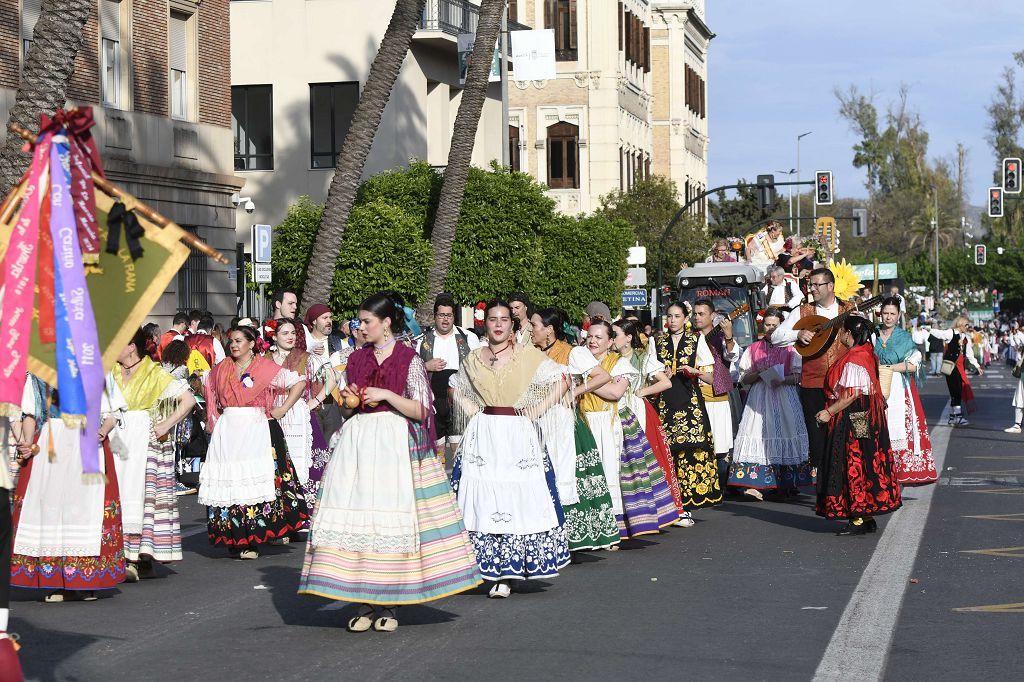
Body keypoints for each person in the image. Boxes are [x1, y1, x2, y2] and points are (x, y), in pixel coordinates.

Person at [300, 293, 481, 632]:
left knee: (390, 520)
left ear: (386, 323)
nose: (360, 326)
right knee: (362, 523)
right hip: (358, 445)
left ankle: (389, 603)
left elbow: (422, 409)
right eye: (359, 321)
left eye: (366, 321)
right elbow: (348, 410)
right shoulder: (356, 358)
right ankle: (364, 601)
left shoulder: (408, 357)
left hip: (393, 444)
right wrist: (350, 400)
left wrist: (385, 395)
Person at [450, 300, 571, 598]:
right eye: (493, 319)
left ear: (512, 325)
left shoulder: (528, 356)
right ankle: (485, 568)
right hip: (484, 434)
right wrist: (471, 409)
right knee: (481, 500)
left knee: (514, 499)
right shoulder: (474, 358)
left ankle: (508, 572)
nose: (498, 324)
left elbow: (562, 380)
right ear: (486, 324)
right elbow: (454, 385)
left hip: (517, 433)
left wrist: (537, 409)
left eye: (504, 319)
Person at [11, 374, 127, 602]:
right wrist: (27, 443)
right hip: (51, 443)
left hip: (85, 441)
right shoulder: (38, 373)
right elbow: (31, 414)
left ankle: (85, 580)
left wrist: (102, 430)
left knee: (84, 510)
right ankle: (56, 580)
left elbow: (112, 412)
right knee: (52, 510)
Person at [199, 323, 309, 559]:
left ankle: (251, 540)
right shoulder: (221, 368)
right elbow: (208, 391)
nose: (234, 345)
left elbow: (298, 382)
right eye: (232, 341)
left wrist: (283, 409)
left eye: (239, 341)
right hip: (229, 430)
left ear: (251, 344)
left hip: (256, 428)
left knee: (253, 480)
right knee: (231, 481)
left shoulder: (264, 368)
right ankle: (233, 537)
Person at [530, 308, 620, 552]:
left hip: (565, 423)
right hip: (537, 422)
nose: (530, 330)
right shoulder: (530, 353)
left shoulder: (572, 352)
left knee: (572, 476)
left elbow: (602, 376)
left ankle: (578, 536)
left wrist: (574, 392)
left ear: (549, 330)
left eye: (534, 325)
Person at [110, 328, 196, 581]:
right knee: (118, 494)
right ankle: (121, 554)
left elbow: (188, 400)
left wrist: (166, 424)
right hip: (117, 439)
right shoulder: (110, 371)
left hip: (142, 441)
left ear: (131, 346)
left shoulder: (153, 372)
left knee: (138, 496)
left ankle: (136, 558)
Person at [580, 320, 678, 540]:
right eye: (590, 337)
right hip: (587, 421)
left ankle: (617, 527)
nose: (593, 341)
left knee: (614, 472)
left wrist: (585, 384)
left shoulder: (619, 363)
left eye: (599, 337)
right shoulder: (580, 360)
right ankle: (595, 526)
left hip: (612, 422)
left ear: (610, 342)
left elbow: (616, 393)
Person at [815, 315, 902, 535]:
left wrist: (828, 412)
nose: (840, 335)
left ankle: (858, 518)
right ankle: (865, 515)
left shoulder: (855, 357)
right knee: (864, 459)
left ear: (849, 333)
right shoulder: (866, 352)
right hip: (863, 415)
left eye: (842, 331)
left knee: (852, 462)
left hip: (854, 415)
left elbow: (852, 393)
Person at [773, 268, 856, 474]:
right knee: (817, 436)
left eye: (817, 285)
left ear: (831, 286)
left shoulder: (850, 309)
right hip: (813, 385)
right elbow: (775, 337)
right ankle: (822, 482)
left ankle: (846, 479)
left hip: (844, 384)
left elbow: (866, 341)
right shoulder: (803, 311)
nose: (812, 289)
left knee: (846, 434)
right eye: (811, 285)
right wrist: (797, 334)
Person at [653, 302, 722, 525]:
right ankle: (668, 505)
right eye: (669, 316)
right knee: (666, 454)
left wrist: (695, 371)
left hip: (690, 402)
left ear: (685, 318)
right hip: (664, 403)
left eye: (677, 316)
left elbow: (711, 378)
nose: (672, 320)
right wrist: (658, 375)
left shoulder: (696, 340)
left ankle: (685, 507)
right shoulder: (656, 342)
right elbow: (649, 375)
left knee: (690, 454)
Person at [729, 308, 810, 499]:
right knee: (756, 432)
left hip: (784, 395)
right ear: (762, 325)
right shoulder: (754, 348)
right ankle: (755, 484)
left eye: (775, 325)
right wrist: (758, 373)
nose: (771, 328)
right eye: (767, 324)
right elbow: (743, 378)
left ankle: (785, 483)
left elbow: (799, 376)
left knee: (785, 431)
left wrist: (781, 378)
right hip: (760, 397)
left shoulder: (791, 348)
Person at [611, 318, 686, 521]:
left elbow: (665, 383)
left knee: (643, 458)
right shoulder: (610, 358)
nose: (612, 339)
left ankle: (656, 507)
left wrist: (642, 392)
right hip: (614, 409)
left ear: (628, 338)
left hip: (636, 409)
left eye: (615, 335)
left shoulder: (643, 358)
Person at [265, 319, 334, 515]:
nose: (290, 337)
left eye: (293, 333)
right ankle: (281, 510)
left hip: (299, 415)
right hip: (273, 414)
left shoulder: (305, 357)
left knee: (306, 462)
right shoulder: (265, 359)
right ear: (274, 336)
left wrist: (315, 401)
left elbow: (333, 378)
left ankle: (306, 510)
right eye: (285, 333)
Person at [416, 293, 482, 465]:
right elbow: (412, 371)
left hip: (460, 401)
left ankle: (459, 480)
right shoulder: (423, 340)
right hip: (434, 402)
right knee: (436, 454)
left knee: (459, 450)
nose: (445, 319)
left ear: (454, 316)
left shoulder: (468, 338)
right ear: (434, 316)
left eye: (449, 315)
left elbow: (479, 367)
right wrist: (426, 366)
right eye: (441, 315)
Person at [875, 299, 935, 484]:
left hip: (898, 388)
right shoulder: (872, 334)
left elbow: (914, 364)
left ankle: (900, 471)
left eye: (892, 314)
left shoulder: (904, 337)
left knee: (899, 427)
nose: (888, 317)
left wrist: (889, 368)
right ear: (880, 313)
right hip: (875, 386)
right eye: (886, 313)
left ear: (899, 315)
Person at [692, 300, 739, 486]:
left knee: (719, 444)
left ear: (712, 316)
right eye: (695, 314)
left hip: (716, 397)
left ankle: (720, 486)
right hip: (694, 397)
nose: (697, 317)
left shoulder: (721, 337)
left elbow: (732, 356)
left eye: (701, 314)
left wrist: (729, 337)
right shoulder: (690, 338)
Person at [930, 316, 982, 427]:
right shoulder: (951, 333)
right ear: (960, 324)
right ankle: (957, 417)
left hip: (960, 367)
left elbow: (969, 353)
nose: (967, 327)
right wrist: (928, 329)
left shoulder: (965, 337)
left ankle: (953, 417)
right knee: (956, 390)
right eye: (966, 325)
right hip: (951, 366)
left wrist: (977, 366)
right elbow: (939, 334)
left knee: (958, 390)